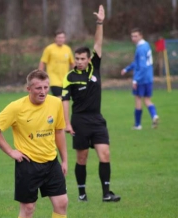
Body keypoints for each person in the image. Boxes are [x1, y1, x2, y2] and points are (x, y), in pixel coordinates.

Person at [0, 69, 78, 218]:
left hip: (51, 162)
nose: (43, 91)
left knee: (62, 203)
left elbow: (59, 131)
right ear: (28, 88)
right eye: (38, 88)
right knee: (28, 208)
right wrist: (11, 151)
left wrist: (65, 159)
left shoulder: (55, 103)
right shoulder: (16, 107)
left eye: (46, 87)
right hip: (28, 164)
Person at [62, 5, 121, 203]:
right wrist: (67, 123)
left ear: (89, 59)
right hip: (79, 121)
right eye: (76, 59)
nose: (78, 61)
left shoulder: (95, 67)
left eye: (82, 59)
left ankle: (106, 194)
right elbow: (64, 101)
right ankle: (81, 193)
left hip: (97, 119)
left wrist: (100, 22)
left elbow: (98, 42)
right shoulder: (69, 77)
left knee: (105, 153)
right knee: (82, 158)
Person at [121, 28, 159, 130]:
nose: (133, 38)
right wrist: (127, 69)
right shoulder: (146, 45)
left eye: (136, 36)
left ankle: (138, 125)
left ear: (141, 36)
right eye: (132, 36)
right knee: (147, 99)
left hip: (142, 79)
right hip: (149, 77)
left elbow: (142, 66)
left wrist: (135, 79)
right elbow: (137, 62)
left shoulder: (141, 48)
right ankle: (154, 115)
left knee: (138, 99)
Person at [38, 30, 75, 98]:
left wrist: (77, 74)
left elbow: (72, 63)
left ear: (65, 38)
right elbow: (43, 62)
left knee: (64, 99)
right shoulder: (49, 49)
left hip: (65, 79)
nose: (61, 39)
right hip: (53, 79)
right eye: (59, 37)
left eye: (62, 37)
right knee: (59, 97)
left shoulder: (67, 49)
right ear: (55, 38)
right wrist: (40, 75)